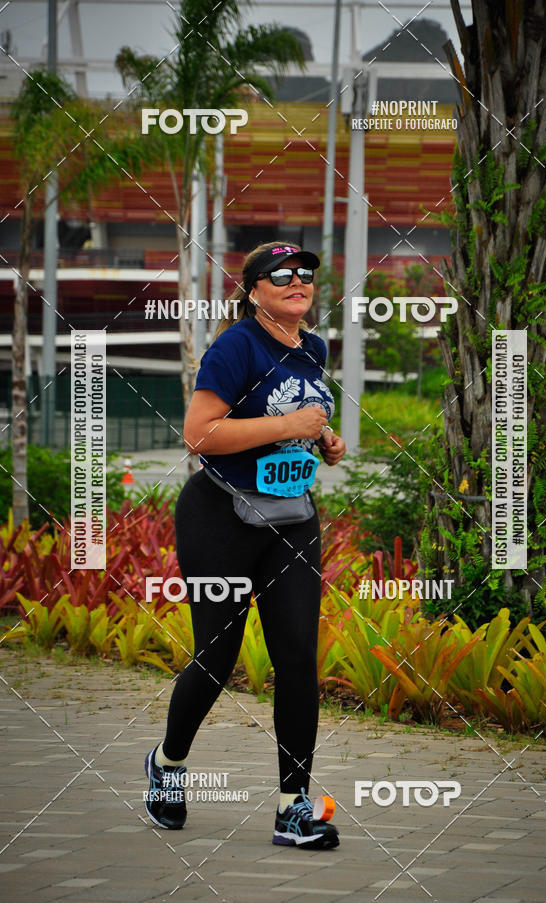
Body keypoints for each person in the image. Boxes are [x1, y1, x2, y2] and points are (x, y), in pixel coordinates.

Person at [144, 241, 347, 849]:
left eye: (305, 273)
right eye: (280, 274)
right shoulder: (236, 345)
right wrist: (290, 426)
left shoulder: (312, 347)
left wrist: (323, 441)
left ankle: (293, 808)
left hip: (291, 519)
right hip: (221, 519)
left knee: (297, 661)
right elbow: (201, 434)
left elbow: (295, 418)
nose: (297, 281)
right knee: (218, 657)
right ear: (254, 290)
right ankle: (168, 765)